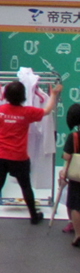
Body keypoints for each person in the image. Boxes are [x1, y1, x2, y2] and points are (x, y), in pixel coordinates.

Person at [0, 79, 61, 225]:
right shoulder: (27, 112)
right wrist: (53, 94)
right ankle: (33, 216)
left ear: (6, 95)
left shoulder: (0, 110)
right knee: (25, 186)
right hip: (18, 157)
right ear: (23, 96)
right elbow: (47, 110)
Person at [59, 103, 80, 247]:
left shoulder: (74, 137)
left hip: (77, 175)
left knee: (75, 204)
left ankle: (78, 234)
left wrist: (64, 170)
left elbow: (67, 156)